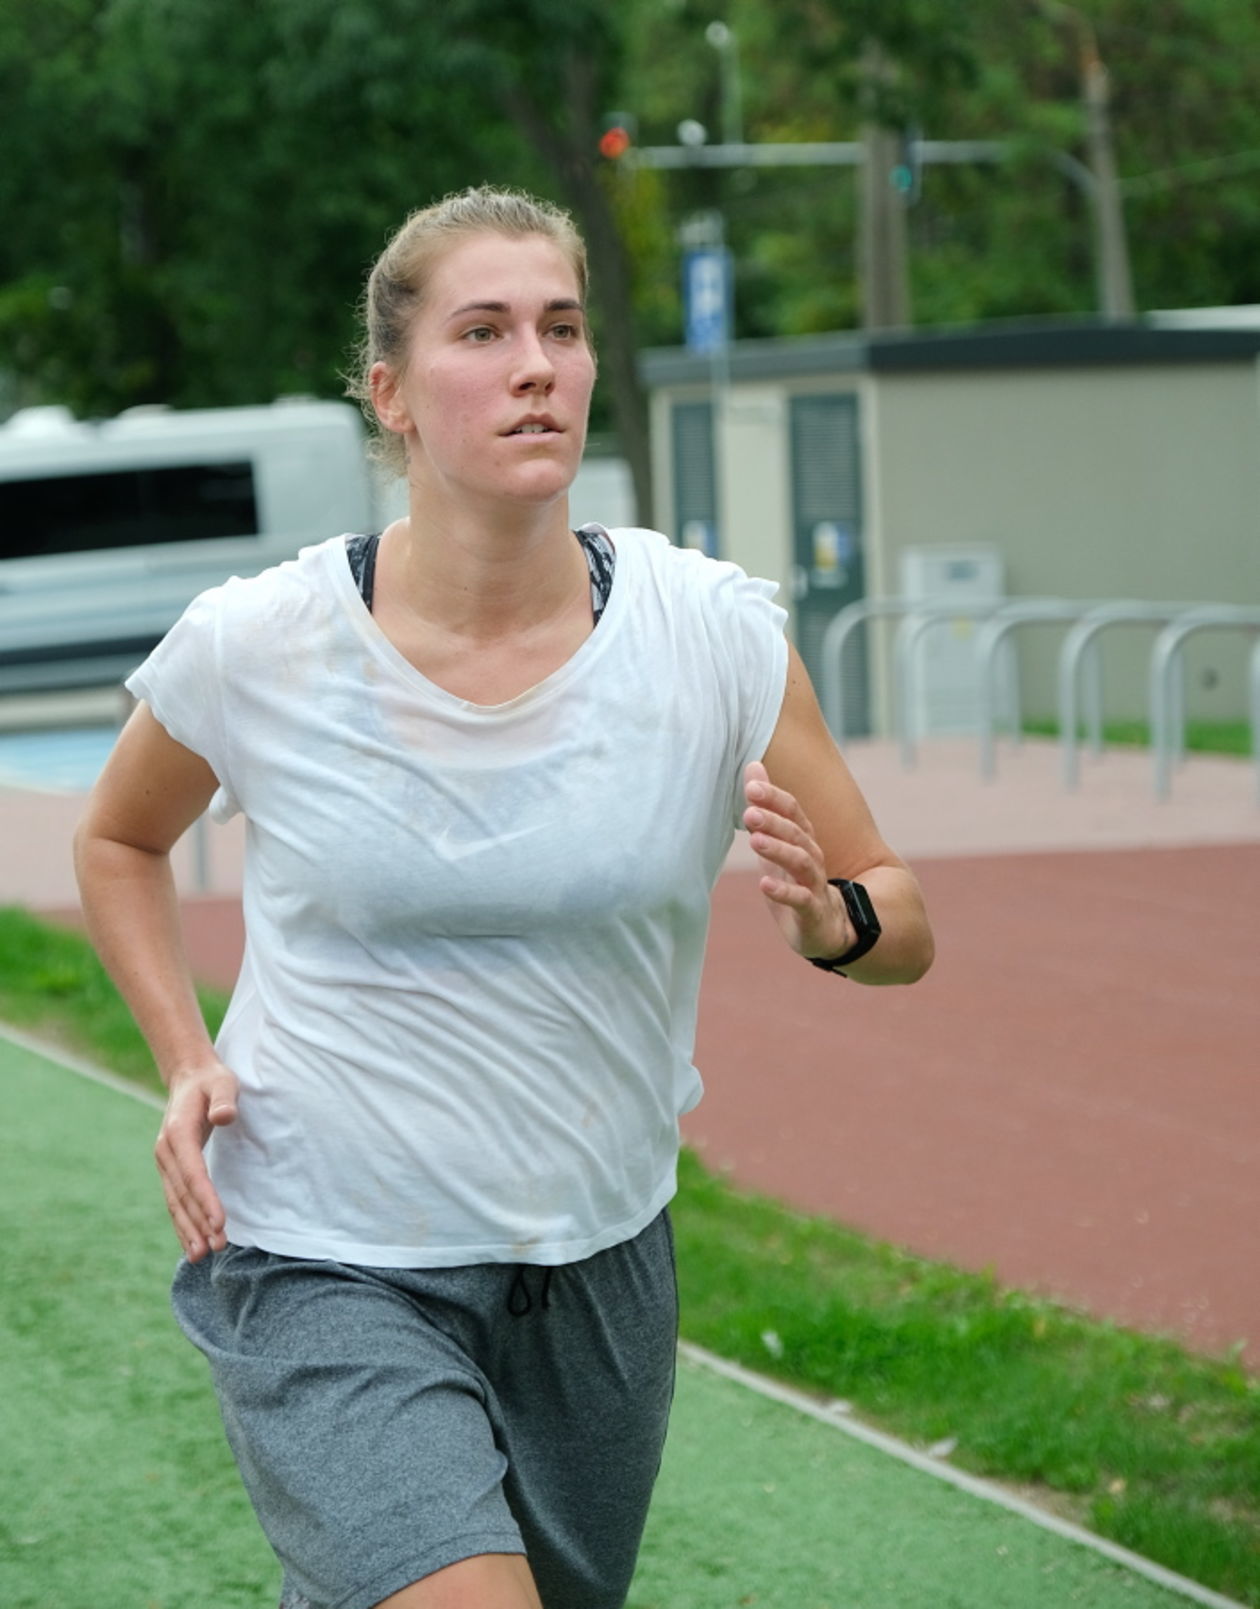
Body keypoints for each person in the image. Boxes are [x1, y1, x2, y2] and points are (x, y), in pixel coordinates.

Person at [74, 185, 934, 1609]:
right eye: (485, 331)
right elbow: (117, 839)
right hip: (324, 1252)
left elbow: (898, 914)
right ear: (393, 393)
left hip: (595, 1266)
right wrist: (187, 1052)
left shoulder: (707, 633)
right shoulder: (262, 641)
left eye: (563, 327)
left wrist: (829, 918)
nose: (538, 362)